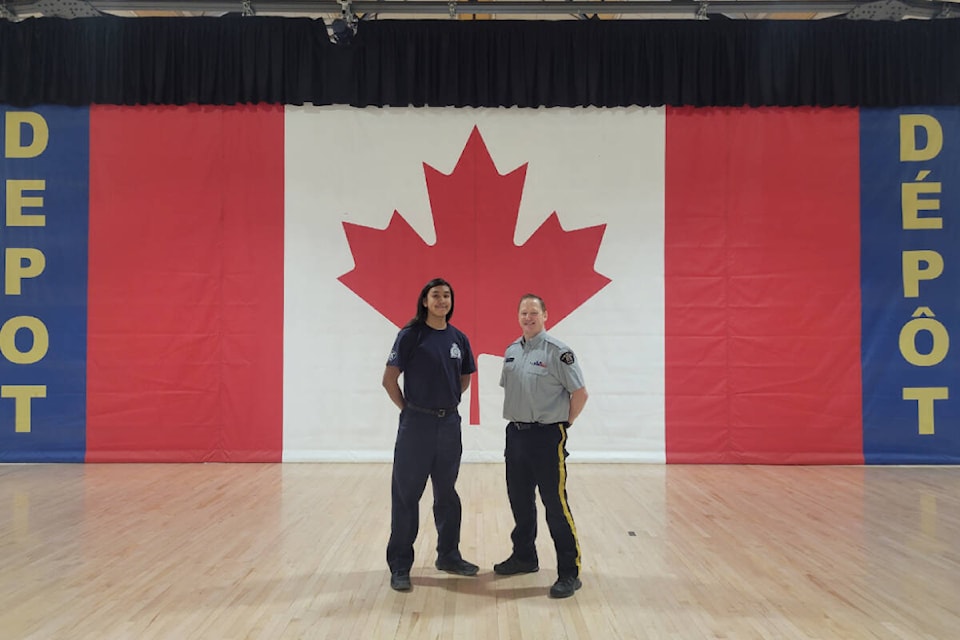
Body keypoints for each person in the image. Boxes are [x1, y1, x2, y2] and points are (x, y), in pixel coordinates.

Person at [382, 277, 479, 592]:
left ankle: (448, 556)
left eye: (447, 295)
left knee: (447, 494)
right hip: (416, 427)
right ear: (424, 301)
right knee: (407, 496)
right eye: (435, 295)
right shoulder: (411, 335)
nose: (442, 300)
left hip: (449, 426)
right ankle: (400, 566)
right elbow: (389, 380)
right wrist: (409, 410)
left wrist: (445, 405)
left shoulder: (459, 339)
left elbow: (464, 379)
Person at [495, 293, 589, 599]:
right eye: (523, 313)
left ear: (545, 315)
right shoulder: (511, 351)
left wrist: (564, 425)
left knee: (555, 505)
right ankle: (524, 557)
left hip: (547, 436)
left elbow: (580, 394)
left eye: (534, 313)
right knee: (520, 501)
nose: (528, 318)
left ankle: (569, 572)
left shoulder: (558, 352)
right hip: (516, 435)